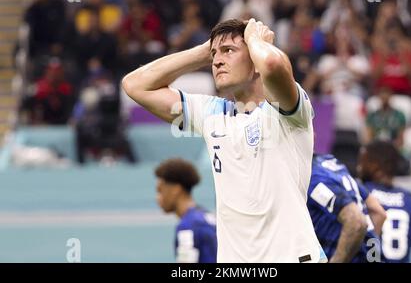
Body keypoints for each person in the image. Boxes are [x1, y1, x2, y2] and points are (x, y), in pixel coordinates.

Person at [123, 18, 325, 262]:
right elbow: (134, 85)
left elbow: (272, 63)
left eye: (229, 51)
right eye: (214, 55)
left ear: (255, 60)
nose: (217, 61)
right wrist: (205, 50)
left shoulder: (287, 112)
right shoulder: (213, 114)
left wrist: (254, 39)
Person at [308, 154, 386, 263]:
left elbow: (356, 222)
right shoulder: (331, 162)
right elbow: (378, 212)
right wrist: (368, 246)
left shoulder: (312, 176)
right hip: (374, 258)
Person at [155, 158, 217, 263]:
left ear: (176, 189)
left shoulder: (187, 226)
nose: (157, 197)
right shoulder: (207, 217)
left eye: (160, 190)